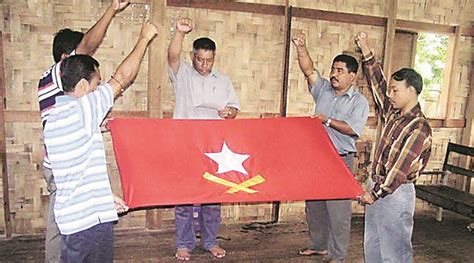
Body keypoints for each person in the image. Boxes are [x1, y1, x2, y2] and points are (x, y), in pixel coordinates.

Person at [42, 21, 158, 262]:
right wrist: (144, 38)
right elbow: (123, 77)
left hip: (74, 221)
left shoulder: (54, 117)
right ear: (83, 85)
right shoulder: (84, 108)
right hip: (88, 227)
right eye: (97, 83)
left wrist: (105, 199)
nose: (99, 89)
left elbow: (78, 172)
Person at [37, 1, 130, 261]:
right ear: (67, 59)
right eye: (80, 56)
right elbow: (90, 48)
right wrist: (113, 8)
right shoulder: (56, 75)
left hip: (60, 160)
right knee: (66, 227)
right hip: (60, 165)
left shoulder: (61, 102)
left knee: (65, 226)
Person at [292, 32, 369, 263]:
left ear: (352, 76)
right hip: (317, 159)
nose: (334, 75)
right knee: (314, 206)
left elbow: (352, 129)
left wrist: (326, 121)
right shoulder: (323, 89)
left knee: (338, 212)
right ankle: (318, 245)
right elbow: (309, 70)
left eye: (340, 71)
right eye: (333, 70)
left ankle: (338, 255)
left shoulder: (359, 102)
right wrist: (301, 47)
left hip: (340, 159)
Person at [167, 18, 240, 261]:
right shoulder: (183, 74)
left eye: (209, 60)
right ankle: (184, 244)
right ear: (192, 56)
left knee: (213, 197)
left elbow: (234, 109)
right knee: (185, 197)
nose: (205, 65)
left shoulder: (223, 80)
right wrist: (179, 32)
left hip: (214, 148)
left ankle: (210, 241)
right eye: (200, 59)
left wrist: (230, 112)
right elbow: (172, 55)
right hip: (185, 145)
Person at [356, 32, 432, 263]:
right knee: (374, 246)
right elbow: (377, 84)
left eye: (395, 90)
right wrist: (366, 50)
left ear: (412, 91)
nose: (389, 94)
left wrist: (375, 194)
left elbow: (399, 171)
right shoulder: (393, 114)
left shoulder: (418, 127)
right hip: (378, 186)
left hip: (395, 192)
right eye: (390, 90)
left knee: (394, 253)